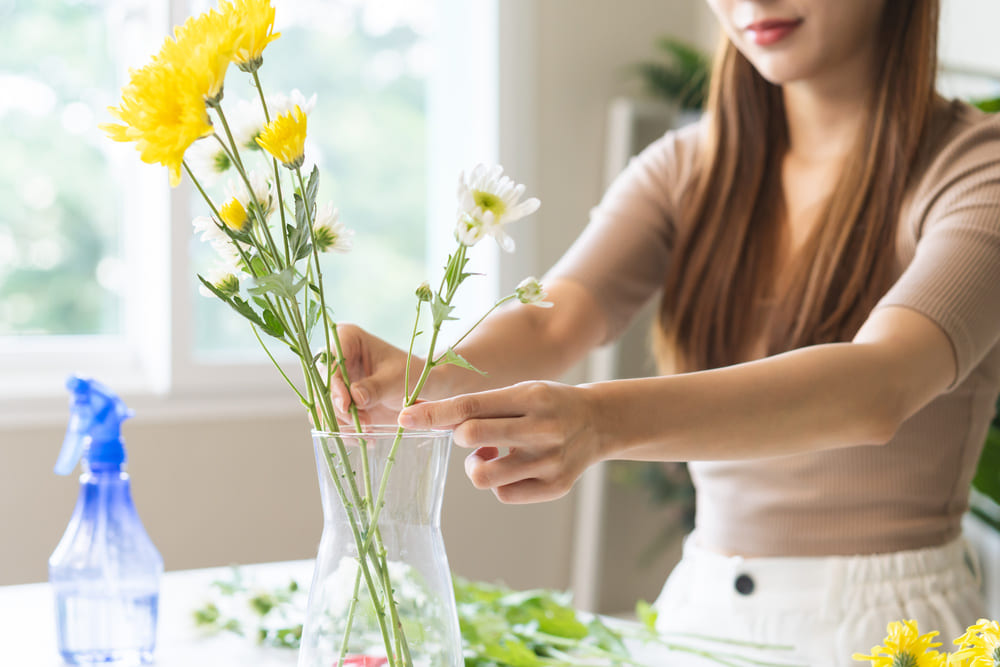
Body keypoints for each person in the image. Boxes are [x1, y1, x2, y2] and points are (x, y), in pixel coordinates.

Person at [331, 1, 1000, 664]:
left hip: (892, 630)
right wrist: (424, 372)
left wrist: (599, 420)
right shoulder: (687, 167)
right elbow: (556, 316)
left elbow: (878, 385)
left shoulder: (976, 169)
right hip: (702, 612)